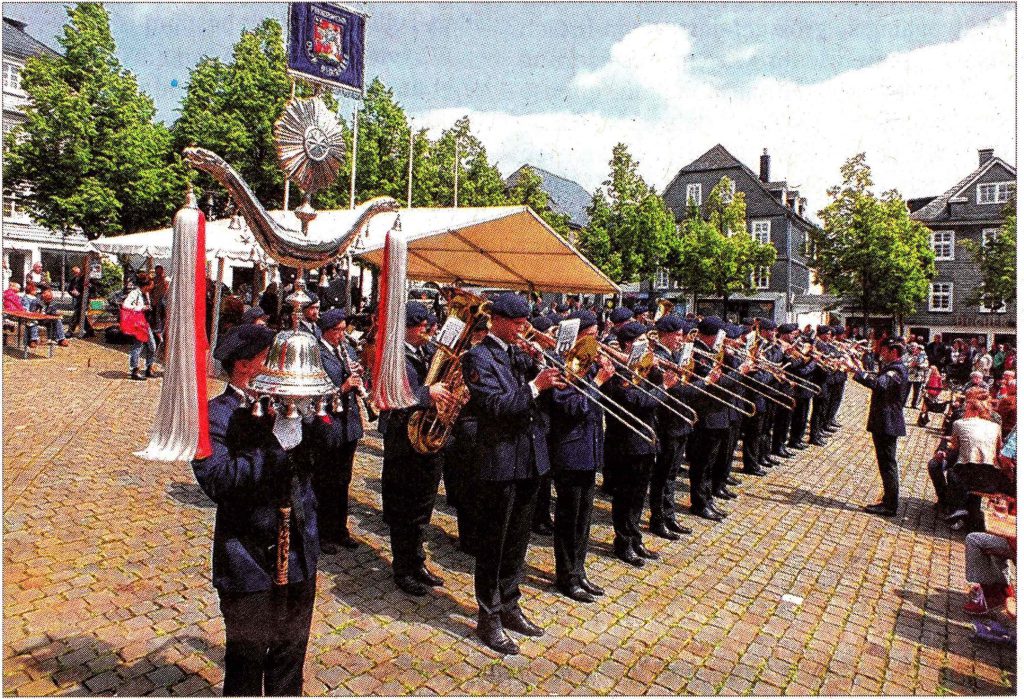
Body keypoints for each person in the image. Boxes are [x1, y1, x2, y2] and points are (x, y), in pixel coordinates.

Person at [192, 324, 325, 696]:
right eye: (273, 360)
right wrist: (274, 447)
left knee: (290, 654)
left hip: (297, 551)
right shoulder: (215, 414)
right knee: (247, 661)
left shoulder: (285, 406)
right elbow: (218, 480)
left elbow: (327, 454)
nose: (283, 369)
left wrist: (309, 418)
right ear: (246, 365)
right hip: (247, 558)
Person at [462, 292, 565, 655]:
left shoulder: (515, 355)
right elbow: (495, 405)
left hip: (529, 459)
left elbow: (545, 395)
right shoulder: (478, 357)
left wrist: (542, 366)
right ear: (499, 321)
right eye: (520, 324)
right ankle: (487, 615)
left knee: (518, 540)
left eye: (526, 324)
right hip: (499, 460)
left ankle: (509, 603)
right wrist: (536, 386)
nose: (525, 330)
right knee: (494, 541)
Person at [379, 302, 452, 596]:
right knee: (402, 508)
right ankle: (402, 567)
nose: (427, 331)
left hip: (425, 439)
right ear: (406, 327)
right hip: (402, 440)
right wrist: (427, 394)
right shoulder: (393, 355)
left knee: (422, 505)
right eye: (421, 326)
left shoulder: (426, 352)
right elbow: (391, 392)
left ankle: (417, 560)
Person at [548, 309, 613, 602]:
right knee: (569, 516)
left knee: (584, 516)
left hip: (589, 446)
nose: (597, 342)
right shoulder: (562, 365)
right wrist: (597, 381)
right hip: (570, 449)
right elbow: (572, 407)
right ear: (580, 335)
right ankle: (566, 576)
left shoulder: (585, 364)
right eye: (593, 336)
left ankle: (579, 570)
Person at [601, 321, 661, 565]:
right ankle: (623, 542)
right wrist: (663, 387)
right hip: (626, 442)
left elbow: (654, 395)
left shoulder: (645, 367)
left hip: (646, 441)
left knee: (638, 496)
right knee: (625, 496)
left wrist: (657, 375)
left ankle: (635, 538)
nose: (646, 343)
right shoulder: (616, 371)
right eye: (640, 340)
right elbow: (637, 401)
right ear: (628, 343)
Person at [313, 309, 365, 554]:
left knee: (343, 480)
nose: (342, 335)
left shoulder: (347, 348)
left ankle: (339, 530)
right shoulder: (317, 353)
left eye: (344, 330)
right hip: (329, 425)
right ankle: (322, 533)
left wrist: (358, 375)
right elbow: (314, 393)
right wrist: (343, 387)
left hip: (349, 424)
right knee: (325, 481)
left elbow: (352, 374)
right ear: (326, 330)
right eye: (338, 331)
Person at [849, 338, 908, 516]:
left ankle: (890, 505)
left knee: (887, 463)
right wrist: (858, 368)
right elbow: (879, 379)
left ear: (893, 351)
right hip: (885, 421)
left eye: (884, 350)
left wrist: (857, 372)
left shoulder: (896, 369)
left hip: (887, 422)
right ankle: (888, 500)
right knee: (885, 463)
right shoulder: (893, 367)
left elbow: (879, 384)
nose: (881, 353)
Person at [649, 314, 696, 537]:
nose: (681, 338)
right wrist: (704, 384)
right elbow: (673, 391)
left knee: (672, 475)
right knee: (663, 476)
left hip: (680, 422)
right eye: (677, 335)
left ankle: (669, 515)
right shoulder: (657, 357)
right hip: (667, 423)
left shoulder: (676, 355)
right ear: (665, 335)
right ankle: (658, 519)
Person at [122, 272, 158, 380]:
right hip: (138, 323)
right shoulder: (135, 293)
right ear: (146, 285)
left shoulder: (146, 294)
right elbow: (126, 305)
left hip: (146, 323)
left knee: (152, 346)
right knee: (137, 346)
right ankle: (135, 370)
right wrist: (140, 308)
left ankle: (149, 367)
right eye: (151, 284)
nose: (152, 286)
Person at [66, 266, 95, 338]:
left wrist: (80, 293)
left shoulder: (85, 279)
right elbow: (69, 289)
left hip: (85, 299)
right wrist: (73, 293)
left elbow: (92, 290)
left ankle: (70, 331)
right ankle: (90, 331)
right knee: (80, 315)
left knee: (76, 314)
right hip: (78, 299)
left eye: (77, 272)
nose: (76, 274)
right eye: (74, 273)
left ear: (80, 272)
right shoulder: (73, 280)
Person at [904, 343, 929, 408]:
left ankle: (914, 404)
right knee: (906, 390)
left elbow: (926, 365)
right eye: (912, 347)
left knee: (917, 391)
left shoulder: (923, 357)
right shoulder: (907, 355)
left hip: (918, 376)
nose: (914, 349)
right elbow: (903, 363)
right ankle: (903, 403)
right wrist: (910, 365)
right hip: (909, 375)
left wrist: (919, 365)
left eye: (915, 348)